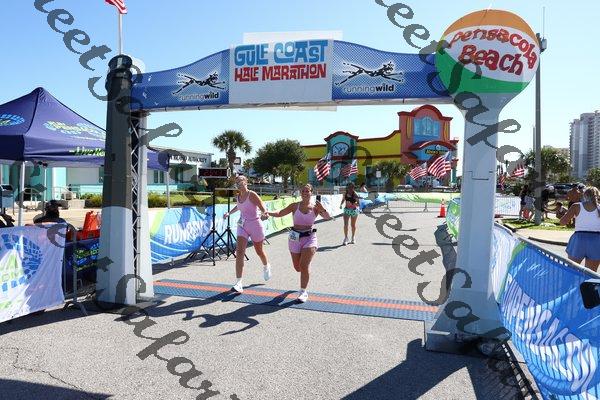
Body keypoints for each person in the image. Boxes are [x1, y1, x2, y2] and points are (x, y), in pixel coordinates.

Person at [266, 184, 332, 302]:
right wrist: (268, 212)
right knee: (298, 267)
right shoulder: (294, 206)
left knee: (304, 265)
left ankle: (303, 291)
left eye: (307, 191)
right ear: (301, 193)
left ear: (311, 192)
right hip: (294, 238)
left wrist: (322, 209)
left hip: (310, 238)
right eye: (303, 191)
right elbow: (280, 213)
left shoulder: (316, 207)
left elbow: (327, 217)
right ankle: (305, 273)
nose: (305, 193)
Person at [223, 175, 271, 293]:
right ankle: (238, 283)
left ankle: (266, 266)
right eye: (237, 182)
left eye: (241, 181)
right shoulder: (238, 196)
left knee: (259, 251)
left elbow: (261, 205)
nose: (239, 183)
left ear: (246, 182)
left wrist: (265, 212)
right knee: (239, 252)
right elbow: (239, 206)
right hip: (242, 226)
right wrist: (229, 213)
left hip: (255, 225)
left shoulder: (252, 194)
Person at [560, 186, 600, 271]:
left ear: (584, 195)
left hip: (579, 240)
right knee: (591, 273)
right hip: (596, 240)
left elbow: (562, 222)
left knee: (571, 271)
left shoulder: (576, 206)